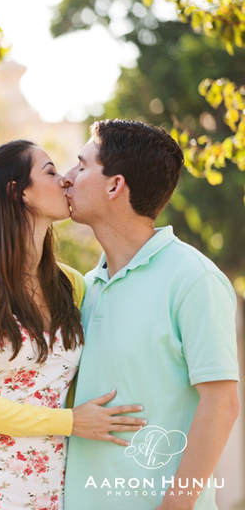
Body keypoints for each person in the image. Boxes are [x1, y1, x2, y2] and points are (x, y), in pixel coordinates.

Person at [0, 139, 146, 510]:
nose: (64, 180)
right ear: (19, 193)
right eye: (50, 171)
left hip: (48, 496)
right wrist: (69, 422)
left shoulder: (73, 285)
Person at [62, 119, 240, 510]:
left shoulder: (194, 280)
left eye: (81, 166)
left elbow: (223, 404)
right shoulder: (85, 288)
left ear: (115, 185)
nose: (66, 178)